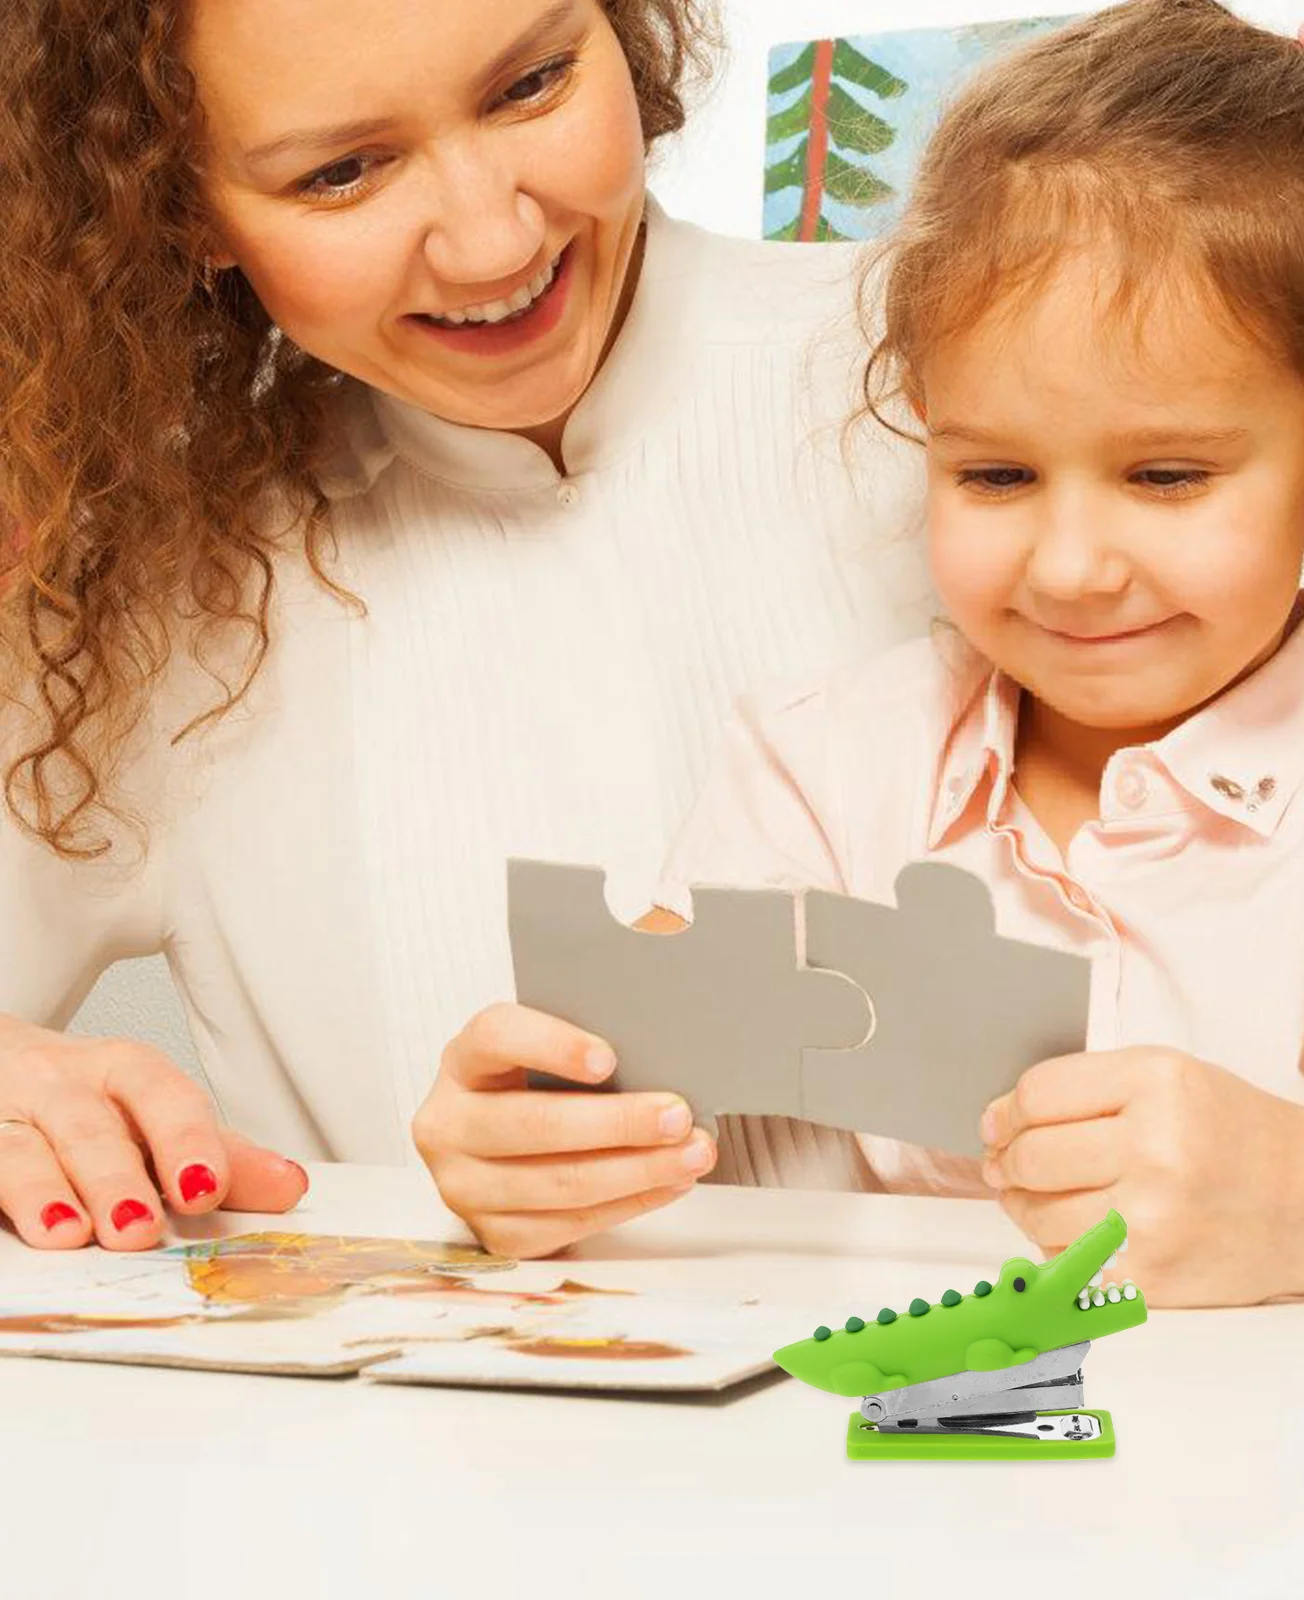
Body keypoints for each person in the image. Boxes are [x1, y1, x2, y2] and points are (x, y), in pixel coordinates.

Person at [645, 0, 1304, 1305]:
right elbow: (628, 1037)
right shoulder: (826, 759)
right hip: (922, 1453)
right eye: (995, 473)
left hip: (1302, 1450)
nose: (1073, 566)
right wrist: (538, 1118)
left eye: (1164, 476)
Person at [0, 0, 929, 1254]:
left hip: (1047, 1431)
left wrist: (1297, 1184)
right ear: (180, 211)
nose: (494, 242)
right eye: (341, 172)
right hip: (421, 1448)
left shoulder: (967, 394)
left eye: (532, 84)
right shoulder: (152, 591)